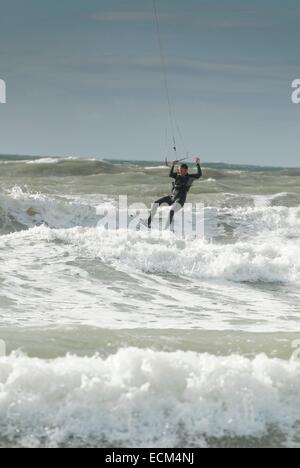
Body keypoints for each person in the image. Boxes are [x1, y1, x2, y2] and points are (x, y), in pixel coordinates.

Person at [148, 158, 202, 229]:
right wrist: (173, 165)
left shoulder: (190, 177)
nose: (179, 171)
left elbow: (199, 174)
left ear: (186, 170)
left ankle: (166, 229)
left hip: (180, 200)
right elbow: (170, 174)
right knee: (155, 204)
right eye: (179, 169)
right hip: (172, 197)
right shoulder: (177, 175)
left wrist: (197, 164)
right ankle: (148, 223)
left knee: (171, 211)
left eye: (181, 170)